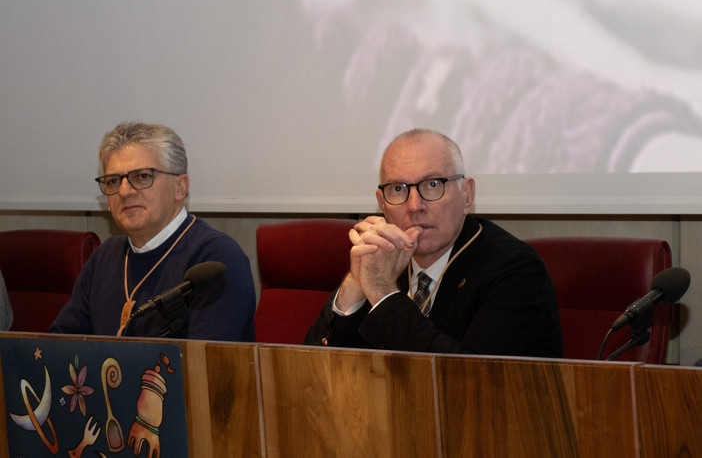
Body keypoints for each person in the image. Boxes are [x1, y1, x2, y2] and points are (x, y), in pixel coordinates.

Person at [305, 128, 563, 356]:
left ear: (467, 195)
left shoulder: (516, 270)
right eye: (398, 189)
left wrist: (382, 292)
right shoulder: (384, 258)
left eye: (433, 184)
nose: (415, 206)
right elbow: (313, 369)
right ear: (382, 204)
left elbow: (468, 381)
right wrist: (356, 283)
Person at [51, 122, 256, 340]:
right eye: (113, 181)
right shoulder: (103, 257)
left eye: (142, 176)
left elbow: (206, 367)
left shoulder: (215, 259)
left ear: (180, 187)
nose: (124, 191)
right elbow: (60, 348)